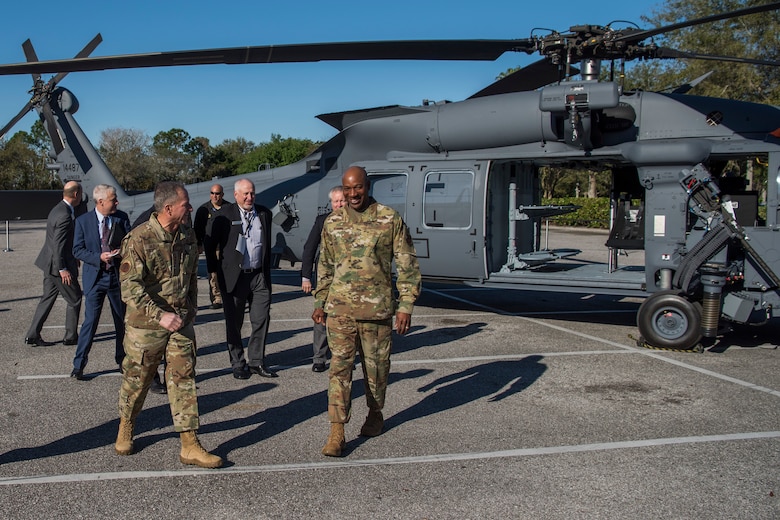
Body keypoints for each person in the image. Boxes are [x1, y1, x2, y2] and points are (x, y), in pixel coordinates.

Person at [313, 166, 421, 457]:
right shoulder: (333, 222)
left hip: (377, 311)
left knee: (376, 371)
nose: (352, 194)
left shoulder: (388, 219)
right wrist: (319, 302)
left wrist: (406, 305)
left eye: (357, 188)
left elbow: (407, 263)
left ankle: (375, 412)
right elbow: (325, 265)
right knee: (339, 371)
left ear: (367, 186)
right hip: (340, 310)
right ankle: (337, 432)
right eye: (347, 189)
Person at [114, 181, 222, 468]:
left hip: (180, 322)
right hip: (146, 326)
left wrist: (193, 308)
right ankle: (127, 424)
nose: (190, 207)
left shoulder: (187, 235)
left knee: (183, 379)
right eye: (185, 204)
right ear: (168, 208)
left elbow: (190, 277)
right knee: (138, 380)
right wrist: (159, 314)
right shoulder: (139, 239)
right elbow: (129, 288)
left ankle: (189, 444)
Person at [209, 178, 276, 379]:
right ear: (236, 195)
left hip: (258, 276)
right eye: (245, 194)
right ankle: (238, 362)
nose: (249, 197)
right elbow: (210, 245)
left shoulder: (264, 214)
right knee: (234, 322)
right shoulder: (224, 215)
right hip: (234, 278)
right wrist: (216, 275)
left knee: (261, 319)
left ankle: (257, 361)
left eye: (252, 193)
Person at [70, 185, 131, 380]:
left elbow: (129, 243)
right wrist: (98, 257)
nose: (117, 202)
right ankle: (79, 364)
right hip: (95, 278)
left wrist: (121, 253)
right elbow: (77, 250)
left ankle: (122, 360)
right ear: (101, 202)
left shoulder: (121, 218)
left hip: (116, 277)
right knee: (90, 322)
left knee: (121, 321)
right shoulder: (82, 222)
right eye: (113, 199)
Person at [25, 181, 84, 347]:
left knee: (47, 298)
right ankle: (71, 337)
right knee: (75, 298)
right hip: (57, 265)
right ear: (76, 194)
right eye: (81, 193)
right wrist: (62, 269)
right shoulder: (65, 214)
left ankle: (32, 334)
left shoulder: (58, 209)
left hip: (49, 263)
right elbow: (58, 244)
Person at [301, 186, 345, 372]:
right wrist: (306, 277)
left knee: (345, 318)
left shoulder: (356, 221)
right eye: (335, 201)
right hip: (325, 278)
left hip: (347, 279)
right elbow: (309, 248)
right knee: (321, 317)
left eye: (342, 200)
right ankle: (319, 357)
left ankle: (342, 356)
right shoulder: (322, 221)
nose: (339, 204)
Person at [194, 183, 232, 309]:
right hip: (211, 246)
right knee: (213, 273)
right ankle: (216, 298)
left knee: (227, 272)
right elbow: (198, 229)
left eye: (217, 194)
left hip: (226, 246)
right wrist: (199, 244)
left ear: (222, 194)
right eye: (212, 193)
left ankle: (228, 297)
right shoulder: (203, 210)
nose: (215, 196)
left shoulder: (229, 208)